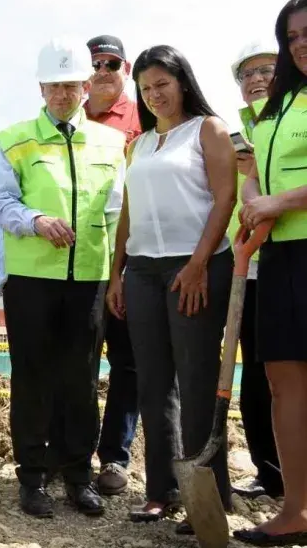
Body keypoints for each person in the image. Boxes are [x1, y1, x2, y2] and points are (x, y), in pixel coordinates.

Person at [0, 37, 126, 518]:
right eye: (54, 85)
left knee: (82, 381)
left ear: (86, 87)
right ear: (41, 89)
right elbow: (0, 202)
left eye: (71, 85)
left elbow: (117, 213)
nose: (63, 94)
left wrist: (118, 274)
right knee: (32, 379)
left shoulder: (111, 143)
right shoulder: (15, 139)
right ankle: (32, 478)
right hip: (31, 280)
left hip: (89, 278)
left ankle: (78, 477)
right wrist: (36, 221)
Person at [106, 45, 237, 532]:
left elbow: (226, 197)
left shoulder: (208, 129)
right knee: (154, 383)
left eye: (162, 83)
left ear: (182, 81)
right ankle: (161, 490)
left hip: (195, 266)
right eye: (145, 88)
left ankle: (211, 496)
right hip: (142, 271)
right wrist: (117, 273)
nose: (154, 94)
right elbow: (129, 211)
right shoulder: (138, 144)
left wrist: (199, 263)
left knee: (197, 379)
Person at [234, 0, 307, 547]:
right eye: (293, 37)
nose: (300, 45)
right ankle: (296, 510)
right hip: (280, 255)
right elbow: (255, 174)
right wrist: (255, 205)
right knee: (284, 384)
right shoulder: (276, 110)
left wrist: (277, 202)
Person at [82, 35, 142, 496]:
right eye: (95, 63)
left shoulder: (145, 117)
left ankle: (115, 458)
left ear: (126, 67)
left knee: (127, 362)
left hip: (131, 258)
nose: (103, 70)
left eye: (111, 63)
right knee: (77, 362)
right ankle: (75, 452)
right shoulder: (68, 116)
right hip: (79, 263)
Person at [228, 39, 283, 500]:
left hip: (291, 258)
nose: (257, 80)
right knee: (257, 375)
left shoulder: (294, 122)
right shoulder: (237, 136)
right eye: (247, 74)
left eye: (267, 70)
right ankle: (270, 472)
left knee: (290, 371)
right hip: (249, 266)